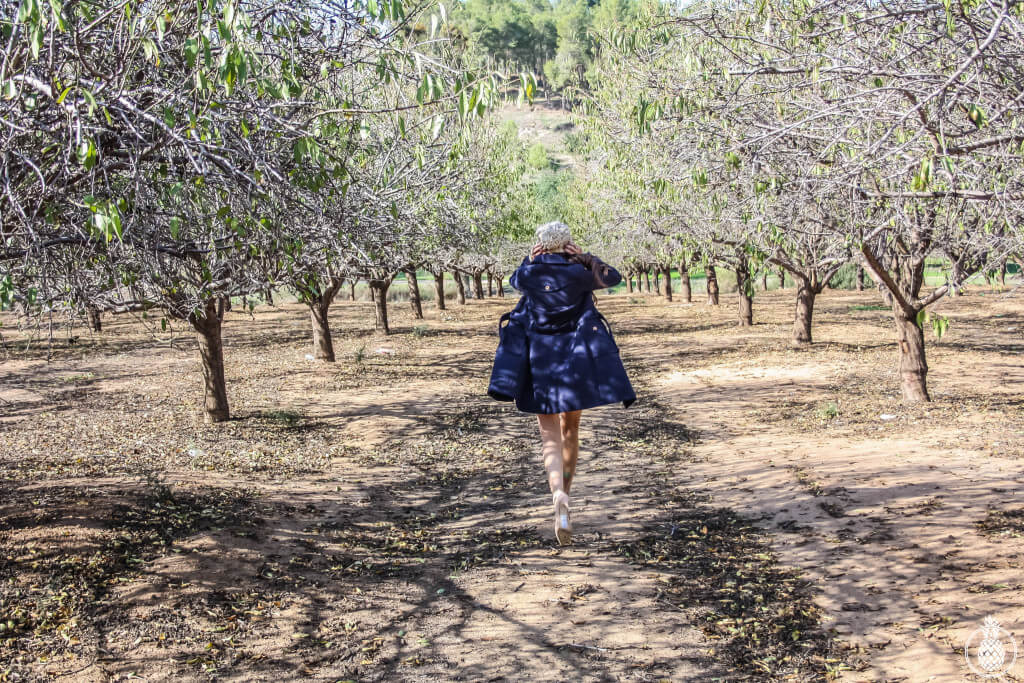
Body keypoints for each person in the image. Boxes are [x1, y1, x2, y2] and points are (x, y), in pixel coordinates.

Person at [487, 222, 636, 545]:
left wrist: (529, 260)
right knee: (571, 432)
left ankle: (558, 498)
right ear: (567, 244)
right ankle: (566, 494)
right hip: (576, 364)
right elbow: (613, 277)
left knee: (549, 438)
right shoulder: (581, 275)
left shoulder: (528, 276)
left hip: (542, 365)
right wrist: (585, 257)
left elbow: (514, 280)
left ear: (540, 245)